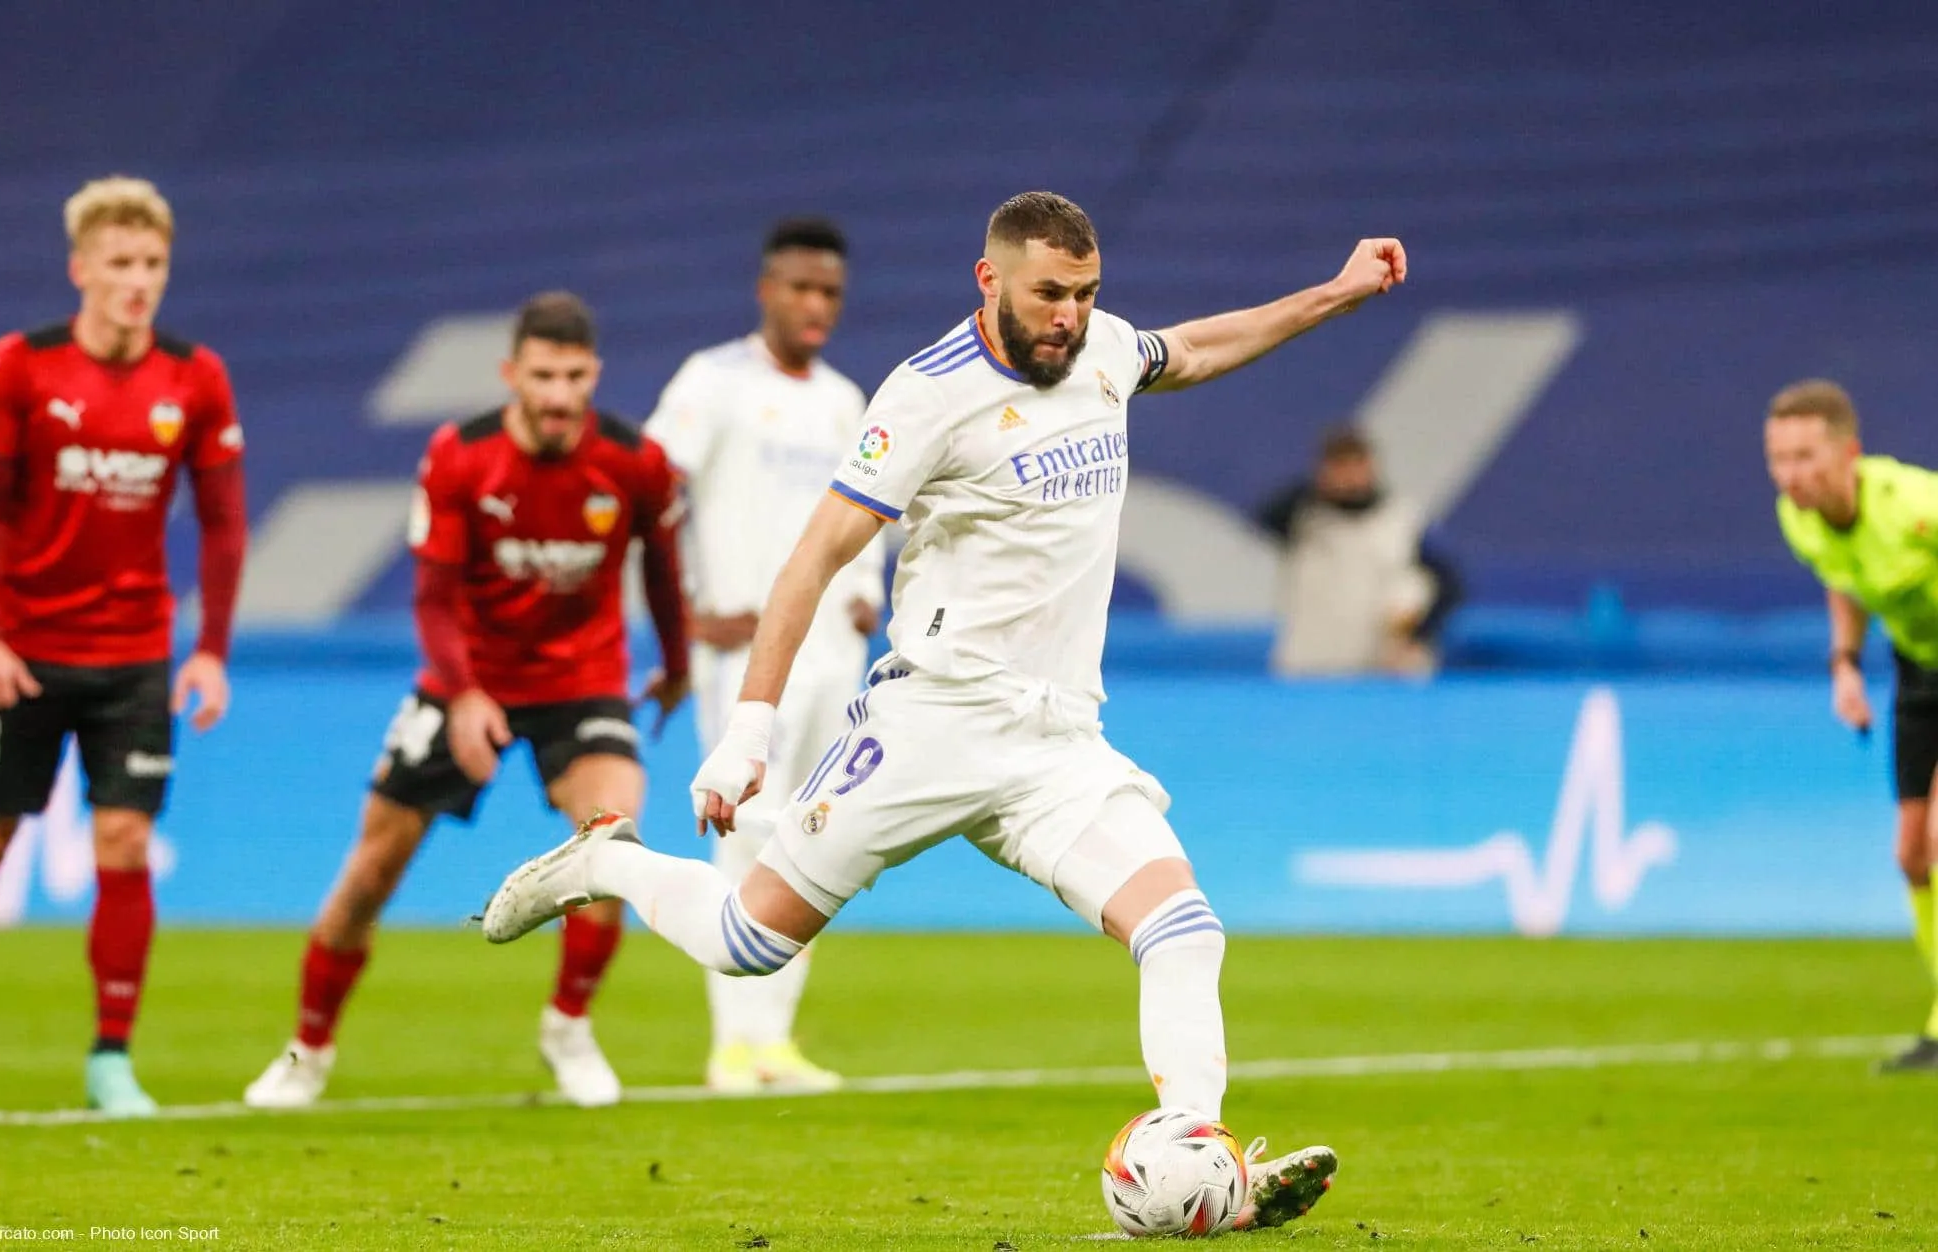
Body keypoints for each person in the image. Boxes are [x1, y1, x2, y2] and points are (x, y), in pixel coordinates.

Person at [483, 192, 1405, 1229]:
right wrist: (750, 731)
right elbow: (814, 558)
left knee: (1185, 929)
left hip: (1058, 741)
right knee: (749, 940)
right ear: (989, 279)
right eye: (1048, 293)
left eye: (1086, 293)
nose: (1069, 315)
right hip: (929, 728)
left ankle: (1200, 1159)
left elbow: (1193, 346)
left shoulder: (1102, 350)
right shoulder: (926, 394)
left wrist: (1339, 291)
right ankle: (601, 862)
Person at [243, 292, 690, 1109]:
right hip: (469, 678)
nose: (559, 395)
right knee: (372, 869)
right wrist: (463, 694)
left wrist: (677, 662)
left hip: (580, 680)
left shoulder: (635, 461)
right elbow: (434, 597)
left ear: (595, 373)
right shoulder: (460, 455)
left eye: (575, 376)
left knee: (613, 842)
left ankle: (569, 1025)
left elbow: (661, 570)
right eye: (543, 375)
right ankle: (307, 1050)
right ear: (511, 373)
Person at [0, 176, 248, 1117]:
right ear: (80, 270)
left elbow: (225, 525)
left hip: (134, 657)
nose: (138, 281)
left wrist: (212, 650)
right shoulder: (19, 367)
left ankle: (112, 1057)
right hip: (24, 654)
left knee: (123, 840)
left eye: (152, 264)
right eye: (120, 263)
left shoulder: (195, 377)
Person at [642, 217, 882, 1094]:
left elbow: (878, 513)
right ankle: (732, 1045)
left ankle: (772, 1042)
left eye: (830, 294)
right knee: (742, 830)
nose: (816, 306)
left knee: (813, 837)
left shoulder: (846, 400)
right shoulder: (714, 383)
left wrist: (869, 595)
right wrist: (685, 610)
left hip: (832, 653)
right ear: (766, 290)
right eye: (801, 289)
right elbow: (649, 493)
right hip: (745, 655)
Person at [1765, 379, 1938, 1073]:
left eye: (1806, 456)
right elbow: (1842, 577)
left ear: (1849, 454)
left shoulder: (1916, 507)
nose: (1791, 474)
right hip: (1920, 670)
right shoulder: (1797, 518)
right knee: (1911, 855)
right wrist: (1843, 664)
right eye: (1778, 458)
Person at [1254, 425, 1462, 677]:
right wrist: (1315, 490)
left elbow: (1448, 584)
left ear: (1371, 467)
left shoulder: (1402, 520)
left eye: (1356, 466)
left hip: (1379, 667)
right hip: (1310, 664)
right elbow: (1263, 517)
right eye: (1338, 467)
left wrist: (1419, 635)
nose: (1349, 476)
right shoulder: (1303, 515)